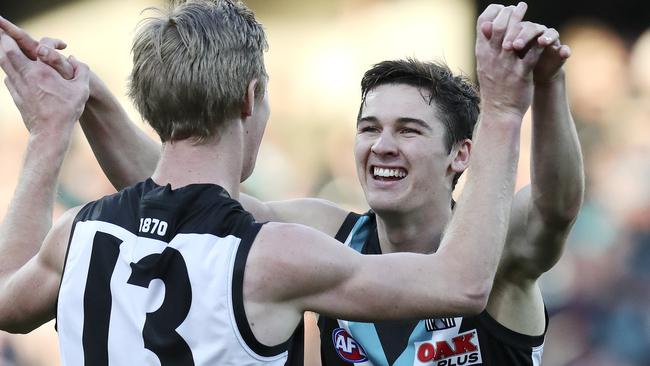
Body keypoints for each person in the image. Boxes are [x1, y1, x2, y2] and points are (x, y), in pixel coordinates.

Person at [0, 1, 546, 365]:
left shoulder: (78, 233)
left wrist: (52, 133)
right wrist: (500, 108)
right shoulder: (276, 256)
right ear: (249, 97)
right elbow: (462, 285)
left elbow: (6, 301)